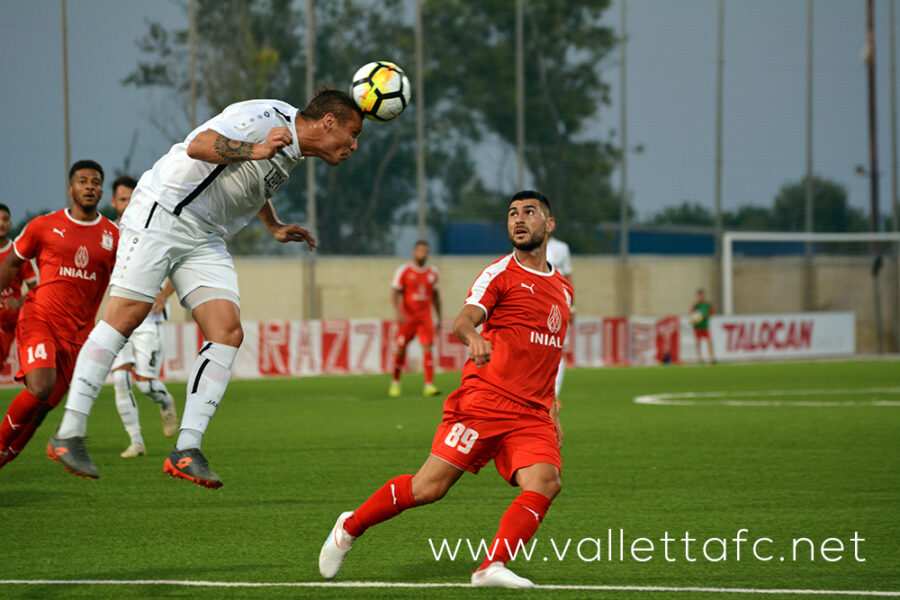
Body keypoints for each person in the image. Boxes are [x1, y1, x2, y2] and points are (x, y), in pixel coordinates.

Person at [49, 89, 363, 488]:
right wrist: (256, 149)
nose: (353, 146)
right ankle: (69, 432)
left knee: (227, 332)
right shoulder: (265, 118)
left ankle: (186, 449)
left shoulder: (291, 148)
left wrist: (273, 225)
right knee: (126, 316)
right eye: (352, 134)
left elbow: (252, 183)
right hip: (164, 212)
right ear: (329, 122)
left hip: (204, 235)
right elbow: (199, 146)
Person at [319, 191, 572, 588]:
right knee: (428, 488)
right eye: (512, 214)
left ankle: (490, 567)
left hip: (533, 412)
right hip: (484, 402)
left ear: (549, 223)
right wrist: (473, 337)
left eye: (529, 212)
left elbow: (551, 354)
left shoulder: (563, 289)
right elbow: (462, 320)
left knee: (546, 482)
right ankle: (350, 525)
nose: (519, 220)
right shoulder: (499, 275)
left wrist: (553, 409)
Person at [0, 160, 118, 470]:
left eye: (95, 181)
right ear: (71, 189)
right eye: (82, 181)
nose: (89, 186)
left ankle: (5, 457)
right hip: (39, 319)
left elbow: (126, 282)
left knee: (41, 408)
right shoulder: (43, 225)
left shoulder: (113, 236)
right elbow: (12, 262)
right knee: (39, 386)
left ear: (101, 190)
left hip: (79, 337)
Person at [107, 175, 179, 458]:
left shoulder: (156, 228)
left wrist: (163, 295)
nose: (127, 203)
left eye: (131, 197)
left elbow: (177, 266)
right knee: (121, 380)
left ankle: (165, 402)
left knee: (145, 383)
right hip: (118, 318)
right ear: (114, 202)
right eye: (122, 199)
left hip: (148, 320)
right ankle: (136, 442)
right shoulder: (109, 233)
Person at [388, 240, 442, 398]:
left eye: (425, 251)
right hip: (408, 318)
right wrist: (398, 311)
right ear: (414, 252)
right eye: (420, 251)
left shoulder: (433, 273)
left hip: (425, 318)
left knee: (428, 348)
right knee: (401, 349)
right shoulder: (404, 271)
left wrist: (439, 316)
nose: (422, 254)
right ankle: (396, 383)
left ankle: (429, 385)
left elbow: (437, 297)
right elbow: (395, 293)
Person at [0, 204, 38, 372]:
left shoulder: (18, 253)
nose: (1, 224)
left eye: (5, 219)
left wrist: (19, 302)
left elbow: (35, 289)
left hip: (13, 322)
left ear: (10, 224)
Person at [545, 233, 573, 401]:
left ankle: (554, 394)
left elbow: (568, 276)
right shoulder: (526, 246)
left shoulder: (561, 248)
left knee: (557, 348)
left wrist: (572, 306)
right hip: (537, 305)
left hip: (558, 304)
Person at [691, 288, 715, 364]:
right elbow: (692, 314)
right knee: (698, 342)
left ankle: (711, 357)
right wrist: (695, 320)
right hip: (698, 326)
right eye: (699, 296)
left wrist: (704, 316)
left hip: (705, 326)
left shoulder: (707, 305)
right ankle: (700, 358)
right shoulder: (696, 305)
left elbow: (711, 313)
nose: (700, 297)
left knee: (709, 341)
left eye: (701, 295)